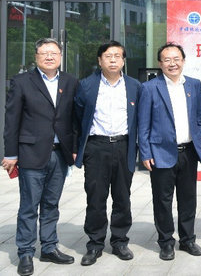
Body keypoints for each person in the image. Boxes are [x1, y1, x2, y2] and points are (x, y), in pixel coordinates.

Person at [2, 38, 78, 276]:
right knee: (29, 206)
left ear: (61, 56)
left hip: (60, 154)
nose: (49, 57)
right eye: (44, 53)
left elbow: (74, 119)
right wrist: (10, 153)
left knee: (51, 204)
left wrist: (74, 147)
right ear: (36, 57)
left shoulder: (70, 81)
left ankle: (49, 247)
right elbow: (11, 120)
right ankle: (25, 252)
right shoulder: (22, 82)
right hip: (31, 153)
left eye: (53, 53)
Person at [137, 42, 201, 260]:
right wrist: (146, 153)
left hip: (188, 152)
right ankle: (166, 242)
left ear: (183, 61)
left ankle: (187, 240)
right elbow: (143, 124)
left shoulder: (194, 84)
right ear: (160, 64)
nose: (172, 64)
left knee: (188, 199)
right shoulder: (150, 87)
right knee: (162, 200)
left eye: (176, 59)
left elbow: (199, 117)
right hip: (160, 152)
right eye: (167, 60)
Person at [74, 41, 141, 265]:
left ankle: (120, 241)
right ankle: (94, 244)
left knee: (122, 197)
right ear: (99, 60)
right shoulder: (86, 85)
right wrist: (78, 148)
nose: (113, 60)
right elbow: (77, 118)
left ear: (123, 60)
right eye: (108, 56)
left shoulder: (134, 86)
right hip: (96, 147)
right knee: (96, 197)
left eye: (117, 56)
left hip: (124, 145)